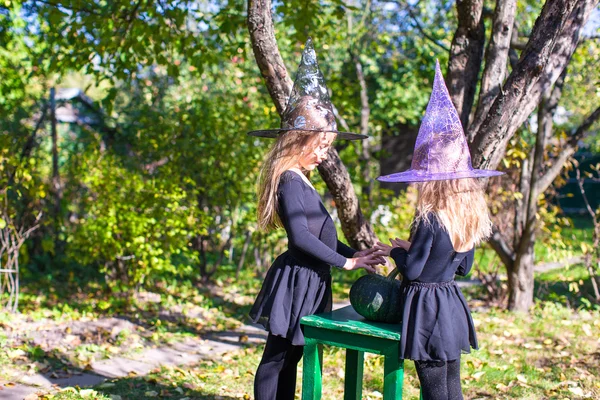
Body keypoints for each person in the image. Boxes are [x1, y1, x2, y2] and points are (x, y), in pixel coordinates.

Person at [247, 38, 381, 400]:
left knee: (293, 356)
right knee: (277, 358)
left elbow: (320, 236)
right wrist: (347, 262)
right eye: (320, 146)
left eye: (328, 148)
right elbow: (301, 239)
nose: (325, 155)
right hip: (295, 282)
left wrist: (356, 253)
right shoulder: (289, 179)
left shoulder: (303, 179)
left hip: (312, 281)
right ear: (298, 141)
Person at [374, 61, 504, 400]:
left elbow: (415, 269)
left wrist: (396, 251)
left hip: (426, 311)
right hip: (450, 305)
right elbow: (463, 267)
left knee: (433, 392)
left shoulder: (429, 216)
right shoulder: (466, 216)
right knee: (452, 388)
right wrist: (414, 248)